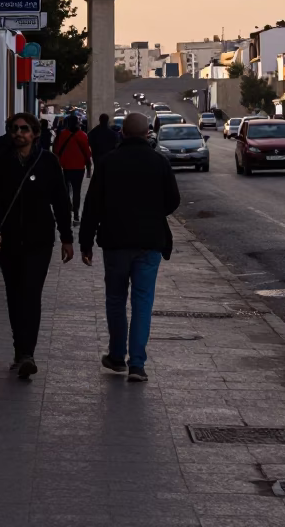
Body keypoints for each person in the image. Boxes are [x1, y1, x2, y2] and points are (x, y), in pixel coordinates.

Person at [80, 111, 179, 383]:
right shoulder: (159, 162)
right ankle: (137, 364)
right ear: (148, 134)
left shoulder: (108, 162)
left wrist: (85, 242)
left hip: (115, 242)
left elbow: (92, 206)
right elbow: (173, 201)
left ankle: (116, 356)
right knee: (142, 302)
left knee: (115, 299)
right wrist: (151, 212)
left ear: (122, 133)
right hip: (150, 242)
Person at [0, 112, 74, 379]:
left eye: (24, 129)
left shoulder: (48, 162)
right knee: (15, 295)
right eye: (14, 129)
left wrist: (67, 238)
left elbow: (61, 202)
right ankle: (20, 351)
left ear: (34, 134)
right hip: (7, 241)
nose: (19, 133)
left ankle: (27, 354)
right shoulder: (1, 161)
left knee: (31, 294)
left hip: (39, 241)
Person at [53, 113, 92, 224]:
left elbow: (57, 150)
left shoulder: (62, 134)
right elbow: (87, 153)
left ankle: (67, 210)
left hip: (65, 166)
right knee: (77, 191)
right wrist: (88, 166)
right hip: (79, 167)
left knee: (66, 191)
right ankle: (76, 216)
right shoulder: (82, 135)